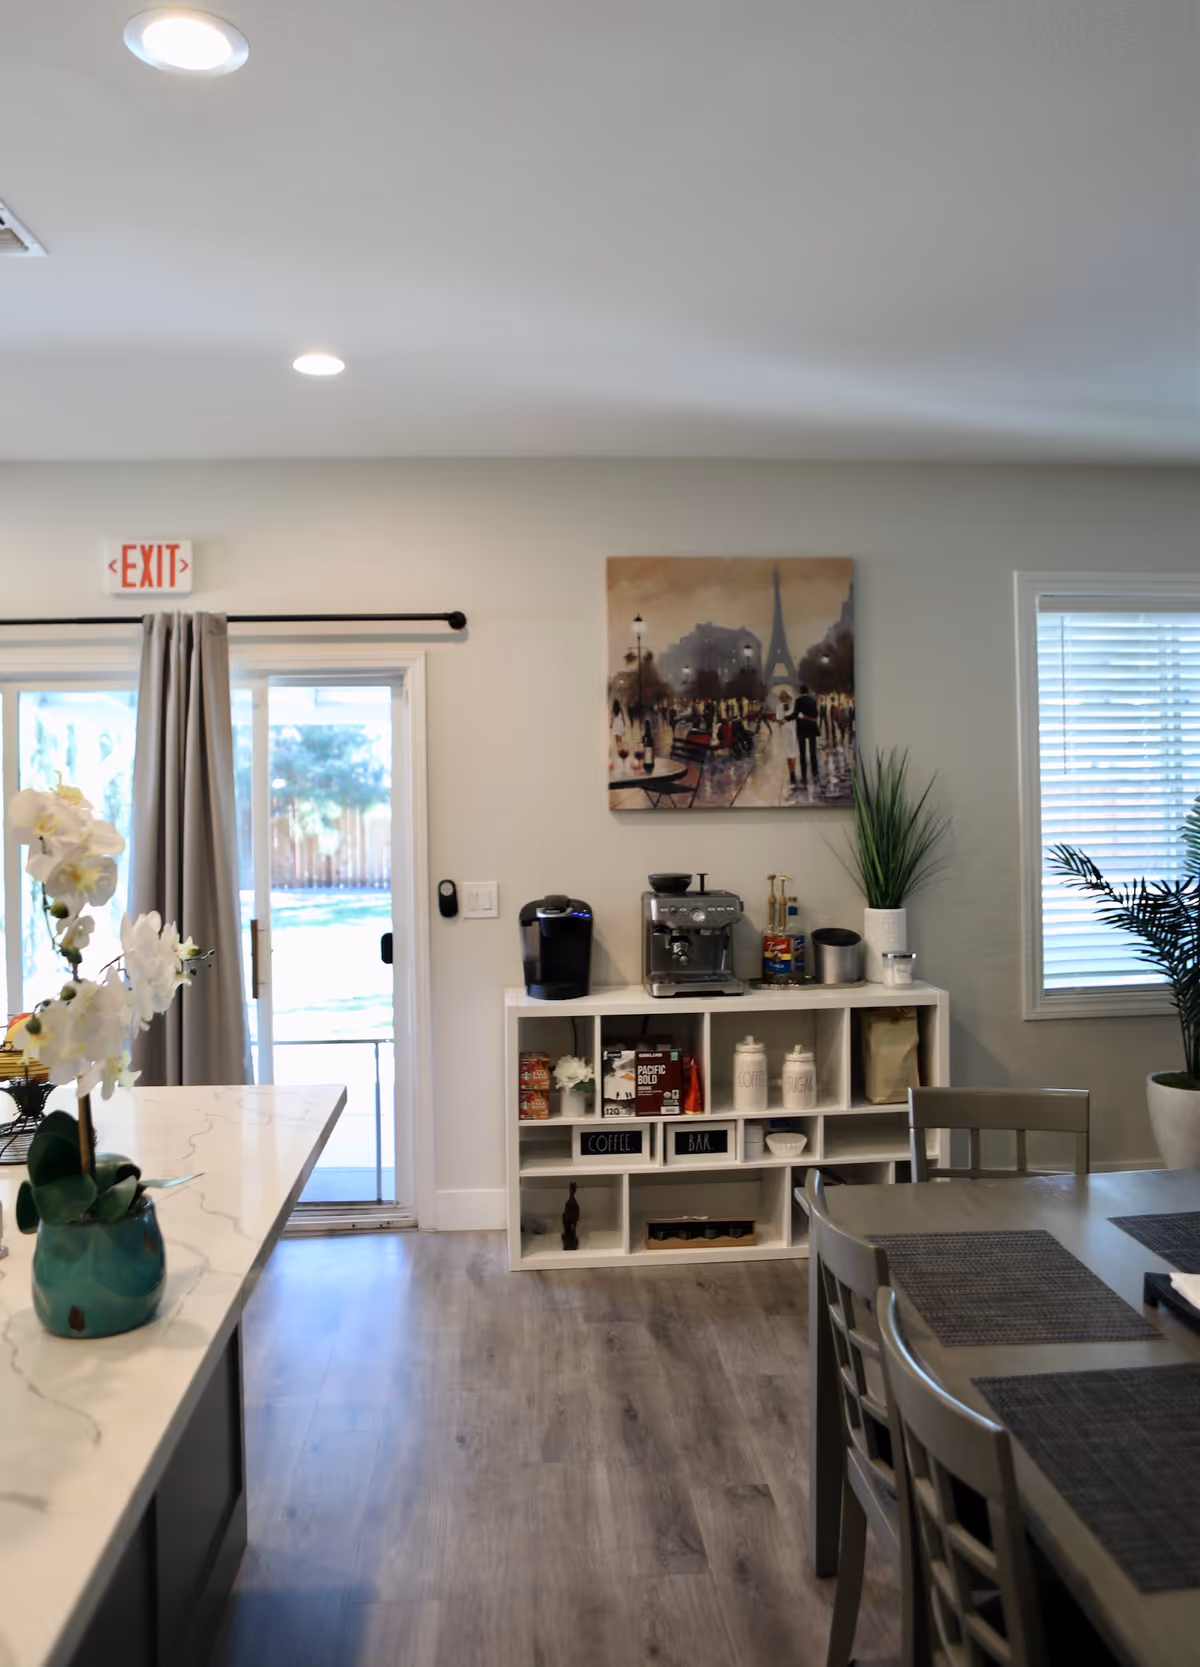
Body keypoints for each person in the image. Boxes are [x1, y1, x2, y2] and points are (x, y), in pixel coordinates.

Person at [789, 684, 821, 788]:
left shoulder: (798, 701)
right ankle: (815, 773)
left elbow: (795, 714)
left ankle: (804, 776)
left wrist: (785, 718)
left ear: (800, 692)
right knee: (813, 751)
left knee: (802, 753)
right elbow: (816, 714)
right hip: (812, 727)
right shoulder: (813, 700)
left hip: (802, 728)